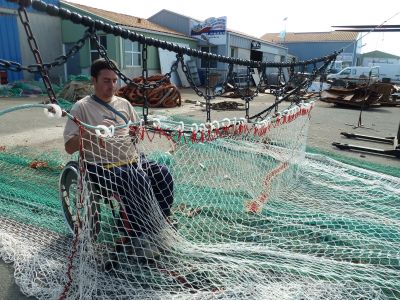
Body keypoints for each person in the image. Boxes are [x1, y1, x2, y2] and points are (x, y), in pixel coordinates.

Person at [63, 59, 174, 253]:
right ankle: (139, 234)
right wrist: (93, 134)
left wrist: (137, 131)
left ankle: (159, 221)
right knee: (136, 179)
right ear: (94, 81)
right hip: (101, 166)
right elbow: (69, 147)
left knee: (162, 173)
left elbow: (135, 130)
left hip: (132, 160)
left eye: (115, 81)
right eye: (106, 81)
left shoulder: (124, 104)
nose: (112, 86)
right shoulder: (81, 107)